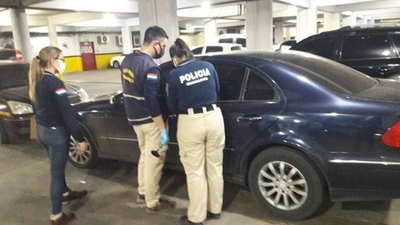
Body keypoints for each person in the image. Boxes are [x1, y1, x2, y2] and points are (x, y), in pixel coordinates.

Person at [166, 38, 225, 225]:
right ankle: (215, 209)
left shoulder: (174, 75)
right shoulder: (208, 66)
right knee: (215, 167)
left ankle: (197, 216)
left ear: (176, 57)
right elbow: (217, 89)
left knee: (195, 171)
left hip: (191, 122)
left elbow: (172, 105)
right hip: (215, 117)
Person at [28, 46, 88, 225]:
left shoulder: (36, 80)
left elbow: (35, 109)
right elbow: (67, 112)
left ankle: (65, 193)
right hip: (56, 134)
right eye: (62, 58)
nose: (64, 62)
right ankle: (56, 215)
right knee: (56, 173)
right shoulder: (54, 83)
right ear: (53, 61)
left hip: (42, 131)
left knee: (57, 167)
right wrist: (79, 138)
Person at [120, 25, 176, 213]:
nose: (164, 50)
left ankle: (143, 192)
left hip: (134, 119)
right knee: (154, 160)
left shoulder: (127, 60)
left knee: (145, 155)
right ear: (156, 44)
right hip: (150, 121)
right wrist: (161, 128)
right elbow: (152, 100)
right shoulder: (151, 67)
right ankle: (152, 202)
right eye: (163, 46)